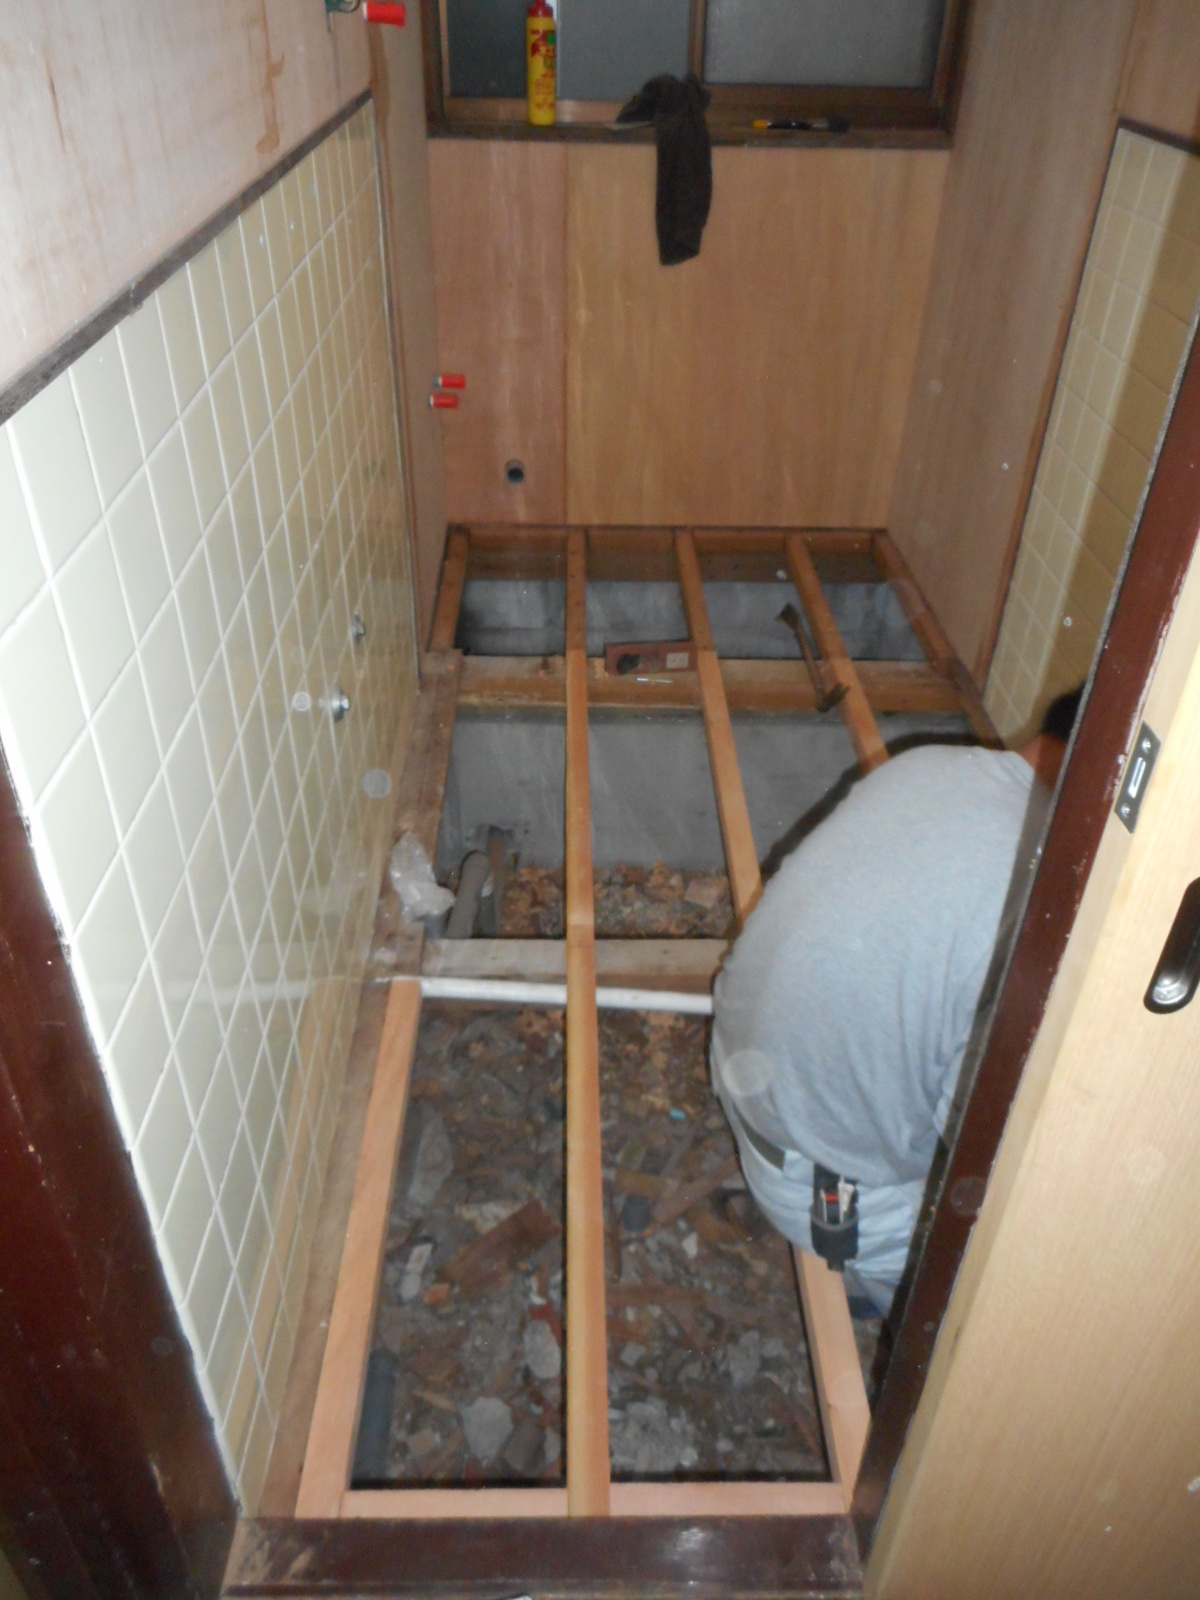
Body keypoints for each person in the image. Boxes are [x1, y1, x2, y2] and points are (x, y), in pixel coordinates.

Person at [711, 689, 1083, 1316]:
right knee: (997, 1288)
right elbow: (983, 1146)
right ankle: (890, 1304)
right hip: (824, 1185)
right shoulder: (1037, 897)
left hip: (743, 1071)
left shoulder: (926, 761)